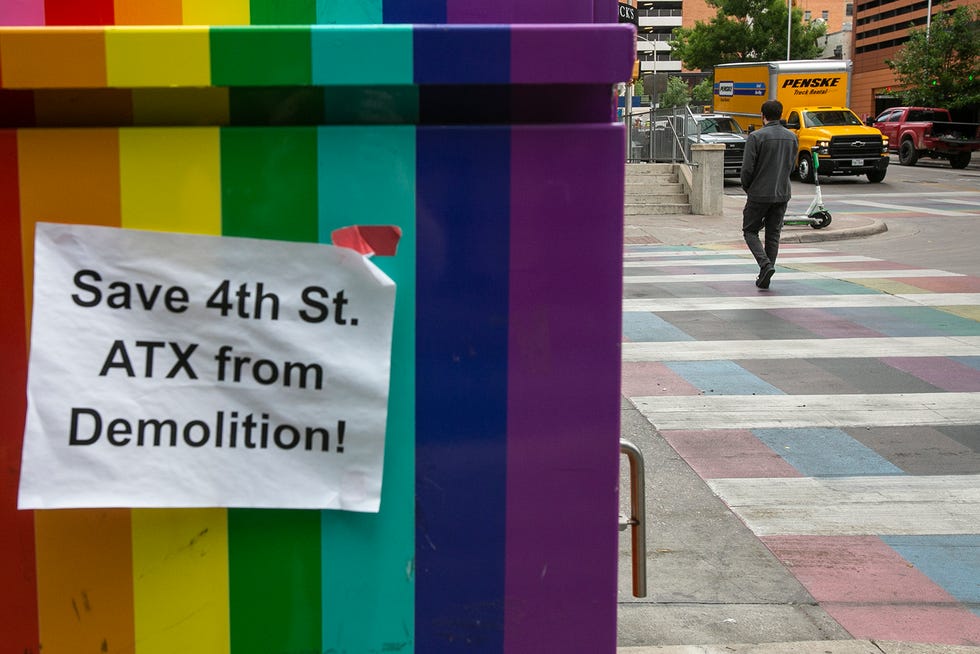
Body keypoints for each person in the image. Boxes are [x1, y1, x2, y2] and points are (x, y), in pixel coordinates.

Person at [740, 99, 798, 289]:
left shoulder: (756, 137)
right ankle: (767, 272)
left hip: (759, 193)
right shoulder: (792, 137)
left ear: (762, 115)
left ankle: (765, 265)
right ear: (780, 114)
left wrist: (748, 188)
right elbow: (791, 166)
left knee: (750, 231)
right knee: (773, 234)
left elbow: (747, 169)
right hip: (782, 192)